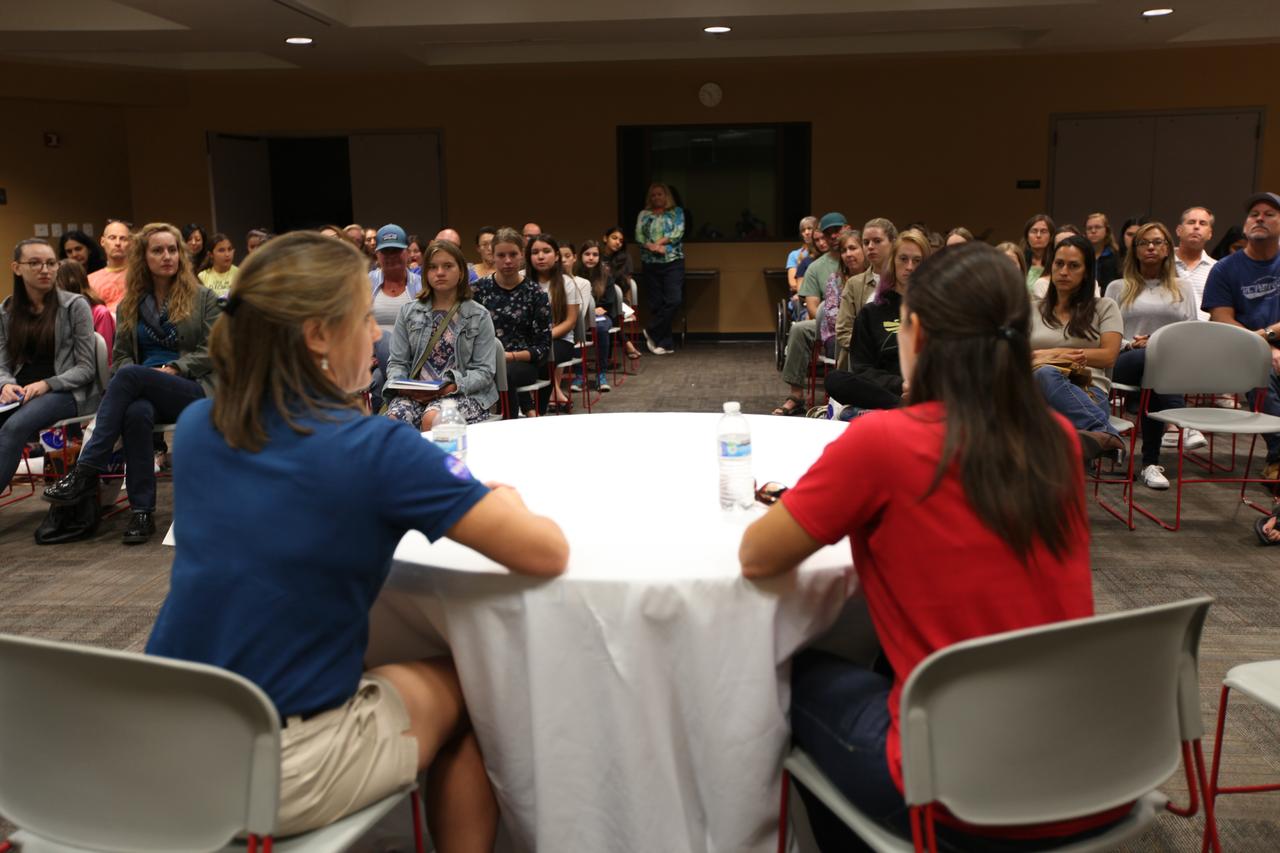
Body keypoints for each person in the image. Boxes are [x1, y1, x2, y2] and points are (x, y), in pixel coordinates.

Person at [144, 230, 568, 843]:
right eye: (364, 318)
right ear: (318, 334)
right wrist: (508, 502)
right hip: (271, 772)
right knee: (481, 689)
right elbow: (544, 552)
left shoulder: (199, 426)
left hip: (155, 742)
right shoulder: (378, 450)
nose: (375, 335)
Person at [741, 242, 1120, 852]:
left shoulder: (882, 442)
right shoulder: (1055, 438)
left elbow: (757, 556)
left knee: (788, 673)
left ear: (914, 330)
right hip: (1099, 772)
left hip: (958, 792)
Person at [43, 223, 221, 545]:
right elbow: (123, 355)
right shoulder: (130, 304)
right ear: (143, 257)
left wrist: (175, 368)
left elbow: (213, 349)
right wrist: (142, 373)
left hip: (192, 387)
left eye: (172, 250)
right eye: (158, 250)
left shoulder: (203, 297)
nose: (167, 256)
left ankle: (86, 471)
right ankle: (142, 512)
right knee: (136, 412)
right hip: (142, 387)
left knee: (128, 377)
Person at [1104, 222, 1200, 489]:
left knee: (1153, 378)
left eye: (1157, 242)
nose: (1150, 247)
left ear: (1168, 249)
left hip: (1167, 367)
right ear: (1134, 250)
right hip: (1125, 360)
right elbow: (1105, 333)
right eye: (1144, 242)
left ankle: (1150, 465)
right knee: (1150, 359)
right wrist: (1132, 345)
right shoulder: (1117, 287)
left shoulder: (1183, 288)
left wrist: (1157, 343)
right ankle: (1182, 420)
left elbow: (1190, 331)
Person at [2, 239, 100, 494]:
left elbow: (86, 368)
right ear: (17, 268)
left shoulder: (75, 305)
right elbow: (1, 364)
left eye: (50, 263)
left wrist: (47, 384)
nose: (45, 270)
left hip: (66, 392)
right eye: (35, 263)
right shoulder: (7, 311)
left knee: (15, 426)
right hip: (21, 392)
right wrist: (5, 384)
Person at [1201, 191, 1280, 483]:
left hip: (1264, 339)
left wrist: (1268, 337)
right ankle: (1279, 455)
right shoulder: (1225, 269)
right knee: (1260, 369)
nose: (1259, 218)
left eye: (1269, 214)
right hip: (1242, 347)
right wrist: (1262, 345)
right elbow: (1222, 318)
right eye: (1254, 214)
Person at [385, 240, 498, 429]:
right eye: (432, 267)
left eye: (447, 266)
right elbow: (397, 363)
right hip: (416, 393)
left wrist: (449, 388)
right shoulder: (408, 312)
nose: (439, 272)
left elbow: (484, 372)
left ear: (461, 272)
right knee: (394, 420)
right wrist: (404, 387)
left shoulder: (479, 315)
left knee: (433, 418)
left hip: (462, 393)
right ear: (425, 273)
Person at [1030, 235, 1123, 461]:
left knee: (1046, 373)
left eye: (1073, 266)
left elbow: (1109, 356)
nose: (1064, 272)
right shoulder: (1031, 309)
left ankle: (1094, 435)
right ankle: (1105, 433)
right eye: (1059, 264)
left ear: (1087, 272)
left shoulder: (1104, 307)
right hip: (1035, 393)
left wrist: (1050, 353)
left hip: (1086, 391)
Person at [824, 229, 931, 411]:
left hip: (929, 388)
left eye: (917, 261)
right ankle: (902, 406)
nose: (910, 267)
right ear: (893, 262)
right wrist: (902, 385)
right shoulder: (871, 312)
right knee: (835, 380)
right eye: (903, 259)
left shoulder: (939, 311)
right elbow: (862, 369)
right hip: (888, 392)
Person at [473, 229, 552, 417]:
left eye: (513, 254)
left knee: (504, 374)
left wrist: (510, 356)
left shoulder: (536, 293)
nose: (507, 261)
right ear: (493, 256)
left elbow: (543, 346)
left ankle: (510, 422)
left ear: (522, 255)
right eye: (501, 255)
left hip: (523, 362)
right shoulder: (478, 290)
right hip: (484, 361)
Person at [772, 218, 841, 416]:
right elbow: (811, 306)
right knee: (798, 328)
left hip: (854, 318)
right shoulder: (813, 264)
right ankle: (796, 396)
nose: (826, 240)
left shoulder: (856, 258)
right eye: (824, 236)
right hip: (826, 318)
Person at [525, 234, 581, 410]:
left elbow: (570, 321)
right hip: (525, 340)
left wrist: (544, 337)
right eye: (535, 252)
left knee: (544, 356)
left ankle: (538, 409)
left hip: (559, 340)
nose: (540, 256)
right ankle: (526, 407)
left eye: (546, 251)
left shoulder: (567, 283)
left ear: (556, 256)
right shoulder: (521, 279)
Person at [835, 218, 897, 371]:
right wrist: (871, 349)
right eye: (866, 242)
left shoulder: (903, 281)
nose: (870, 247)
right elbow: (843, 331)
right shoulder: (854, 284)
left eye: (877, 241)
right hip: (861, 362)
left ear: (893, 243)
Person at [636, 182, 684, 355]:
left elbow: (677, 233)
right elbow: (639, 236)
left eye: (660, 194)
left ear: (666, 196)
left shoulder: (676, 212)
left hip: (672, 261)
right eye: (653, 195)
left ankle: (651, 329)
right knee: (657, 304)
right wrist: (652, 246)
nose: (656, 197)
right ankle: (664, 343)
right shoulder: (644, 214)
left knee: (674, 300)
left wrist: (658, 243)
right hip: (650, 262)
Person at [55, 258, 115, 358]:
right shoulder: (57, 311)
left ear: (71, 282)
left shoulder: (100, 313)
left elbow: (105, 358)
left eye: (56, 282)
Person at [1174, 206, 1216, 320]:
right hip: (1168, 328)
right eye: (1191, 222)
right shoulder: (1162, 263)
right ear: (1179, 230)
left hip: (1205, 329)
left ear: (1210, 234)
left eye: (1202, 223)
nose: (1196, 227)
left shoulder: (1217, 269)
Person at [89, 219, 132, 312]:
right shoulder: (90, 280)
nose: (118, 243)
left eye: (123, 238)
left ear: (130, 243)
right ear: (102, 241)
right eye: (112, 238)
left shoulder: (140, 276)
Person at [786, 216, 820, 322]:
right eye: (803, 230)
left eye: (809, 228)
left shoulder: (823, 253)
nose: (806, 232)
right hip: (802, 295)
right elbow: (793, 284)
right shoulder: (795, 255)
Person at [1085, 212, 1121, 291]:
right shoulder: (1082, 255)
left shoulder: (1117, 256)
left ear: (1107, 230)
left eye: (1097, 227)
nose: (1093, 231)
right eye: (1089, 228)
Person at [1021, 213, 1056, 291]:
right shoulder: (1020, 260)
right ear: (1027, 237)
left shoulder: (1056, 262)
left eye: (1043, 231)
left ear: (1051, 236)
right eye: (1034, 231)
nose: (1038, 235)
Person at [197, 233, 238, 297]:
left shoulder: (240, 273)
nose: (227, 254)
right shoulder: (202, 276)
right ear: (211, 254)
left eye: (229, 249)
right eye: (221, 250)